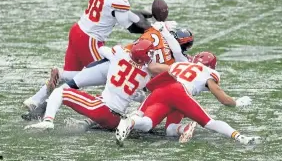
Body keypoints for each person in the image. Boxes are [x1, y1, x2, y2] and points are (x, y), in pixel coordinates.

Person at [23, 0, 150, 112]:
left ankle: (35, 100)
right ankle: (62, 81)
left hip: (78, 30)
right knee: (103, 74)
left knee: (71, 78)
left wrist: (137, 16)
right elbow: (130, 26)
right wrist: (150, 29)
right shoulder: (119, 1)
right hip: (91, 39)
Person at [21, 22, 194, 122]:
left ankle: (41, 98)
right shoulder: (173, 62)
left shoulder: (155, 31)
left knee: (75, 83)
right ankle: (42, 104)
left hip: (115, 61)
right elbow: (156, 75)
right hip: (129, 73)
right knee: (73, 87)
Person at [116, 52, 262, 145]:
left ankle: (132, 121)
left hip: (161, 89)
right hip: (179, 92)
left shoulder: (179, 64)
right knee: (209, 122)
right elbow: (222, 98)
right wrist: (235, 103)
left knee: (149, 124)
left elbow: (154, 68)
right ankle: (239, 137)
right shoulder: (207, 72)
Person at [24, 39, 156, 130]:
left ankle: (47, 121)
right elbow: (139, 96)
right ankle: (86, 123)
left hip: (102, 110)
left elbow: (102, 49)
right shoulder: (146, 76)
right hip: (116, 120)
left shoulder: (119, 53)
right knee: (101, 97)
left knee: (60, 92)